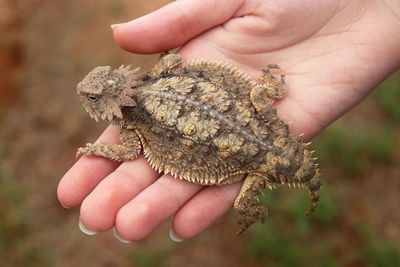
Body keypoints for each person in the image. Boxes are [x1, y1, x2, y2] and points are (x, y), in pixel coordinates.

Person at [57, 0, 400, 242]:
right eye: (92, 95)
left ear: (118, 82)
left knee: (241, 200)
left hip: (250, 154)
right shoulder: (155, 77)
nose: (88, 93)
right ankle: (274, 90)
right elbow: (174, 58)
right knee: (257, 95)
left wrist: (99, 148)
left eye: (94, 94)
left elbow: (129, 152)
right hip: (260, 131)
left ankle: (252, 208)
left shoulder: (134, 120)